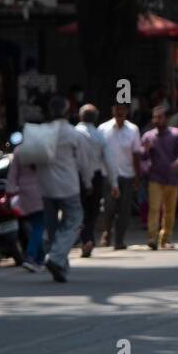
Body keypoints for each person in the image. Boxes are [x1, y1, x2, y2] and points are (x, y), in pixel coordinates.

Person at [35, 94, 96, 282]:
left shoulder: (40, 132)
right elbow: (84, 163)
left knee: (53, 227)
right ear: (67, 111)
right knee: (75, 221)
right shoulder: (73, 133)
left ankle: (60, 264)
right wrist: (88, 182)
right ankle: (55, 257)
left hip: (45, 186)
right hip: (68, 186)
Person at [140, 105, 178, 250]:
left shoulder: (176, 134)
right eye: (154, 117)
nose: (156, 120)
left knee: (169, 211)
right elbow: (142, 156)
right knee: (154, 208)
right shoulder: (148, 136)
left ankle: (165, 238)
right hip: (155, 177)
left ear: (166, 119)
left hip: (172, 179)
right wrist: (145, 150)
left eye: (159, 117)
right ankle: (152, 238)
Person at [99, 102, 142, 249]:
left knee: (124, 210)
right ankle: (107, 232)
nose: (119, 112)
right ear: (112, 110)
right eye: (116, 108)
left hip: (127, 175)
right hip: (108, 175)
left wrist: (137, 176)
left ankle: (119, 240)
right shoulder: (103, 128)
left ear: (127, 111)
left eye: (122, 109)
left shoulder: (133, 129)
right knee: (109, 207)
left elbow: (136, 154)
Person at [5, 137, 45, 272]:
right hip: (42, 191)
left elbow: (12, 175)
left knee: (36, 225)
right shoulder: (44, 150)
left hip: (25, 193)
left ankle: (40, 259)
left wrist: (8, 195)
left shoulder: (19, 151)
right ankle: (30, 256)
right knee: (38, 226)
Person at [75, 103, 106, 257]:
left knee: (80, 210)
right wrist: (113, 182)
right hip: (96, 175)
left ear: (80, 116)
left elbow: (80, 160)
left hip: (77, 176)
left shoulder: (74, 133)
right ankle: (88, 239)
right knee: (92, 212)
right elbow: (109, 160)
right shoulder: (99, 135)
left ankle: (86, 239)